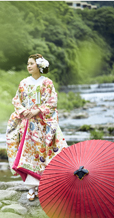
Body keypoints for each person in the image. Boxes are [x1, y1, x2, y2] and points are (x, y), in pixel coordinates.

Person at [6, 54, 68, 201]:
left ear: (39, 66)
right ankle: (31, 188)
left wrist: (38, 110)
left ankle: (43, 186)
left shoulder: (47, 83)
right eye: (27, 63)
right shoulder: (23, 83)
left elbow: (52, 101)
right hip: (28, 124)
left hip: (42, 123)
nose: (28, 66)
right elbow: (17, 100)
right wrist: (23, 111)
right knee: (30, 154)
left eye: (31, 63)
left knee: (44, 153)